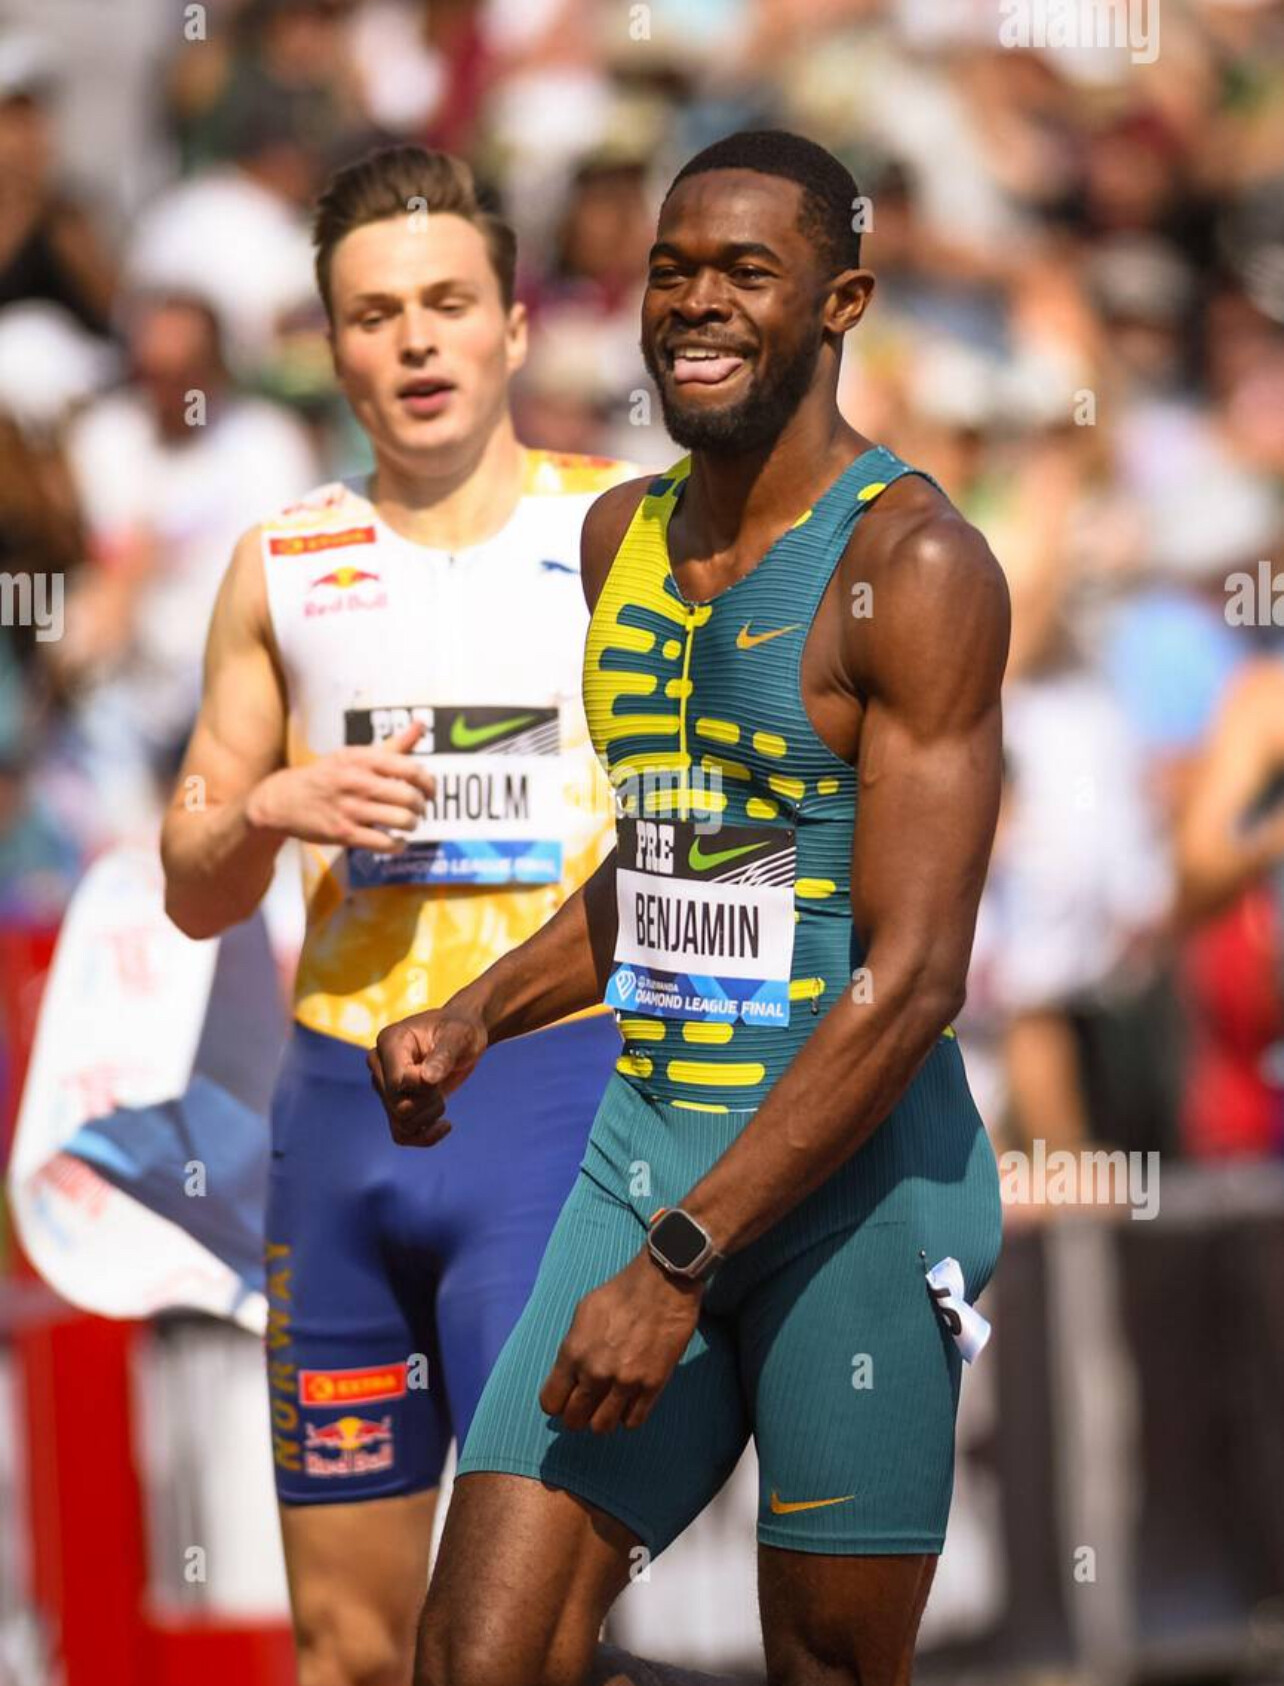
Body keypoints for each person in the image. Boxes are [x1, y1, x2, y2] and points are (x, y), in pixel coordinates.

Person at [371, 129, 1009, 1686]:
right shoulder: (622, 540)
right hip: (648, 1147)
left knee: (829, 1668)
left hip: (854, 1192)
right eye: (672, 272)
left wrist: (677, 1265)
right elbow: (678, 862)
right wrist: (479, 1009)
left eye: (746, 272)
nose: (697, 303)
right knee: (475, 1658)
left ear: (842, 301)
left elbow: (916, 979)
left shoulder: (918, 565)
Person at [161, 144, 634, 1686]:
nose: (418, 341)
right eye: (376, 314)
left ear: (514, 324)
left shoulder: (622, 532)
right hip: (340, 1121)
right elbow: (191, 880)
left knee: (522, 1643)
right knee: (349, 1648)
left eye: (448, 302)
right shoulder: (283, 563)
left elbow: (728, 833)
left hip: (551, 1099)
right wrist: (267, 805)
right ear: (333, 344)